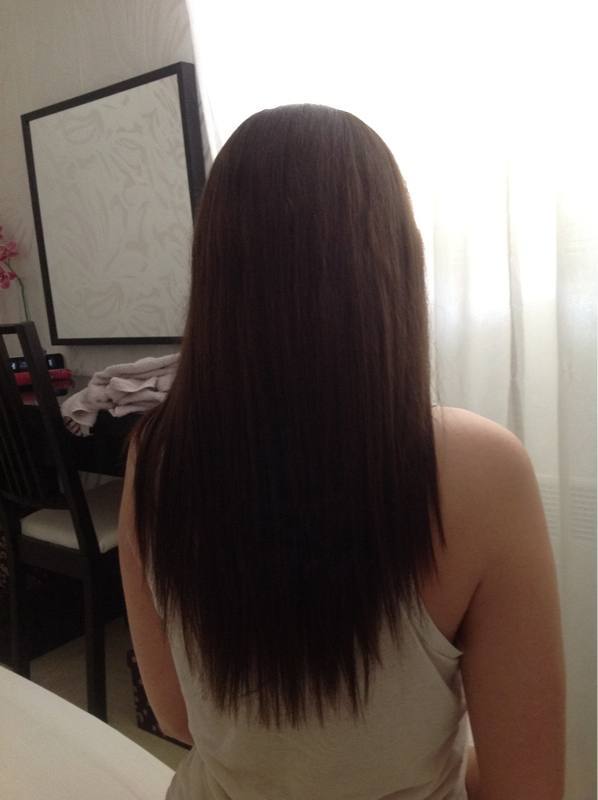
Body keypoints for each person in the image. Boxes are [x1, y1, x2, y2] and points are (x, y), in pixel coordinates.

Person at [118, 104, 566, 800]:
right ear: (393, 266)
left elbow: (177, 717)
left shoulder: (155, 454)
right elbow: (526, 785)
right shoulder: (484, 471)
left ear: (216, 275)